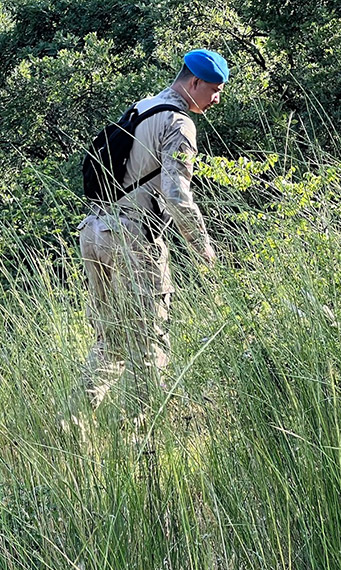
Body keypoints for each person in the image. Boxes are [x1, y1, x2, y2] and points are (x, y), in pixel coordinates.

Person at [77, 49, 227, 420]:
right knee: (150, 344)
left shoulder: (142, 107)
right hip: (133, 239)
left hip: (96, 230)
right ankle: (144, 442)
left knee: (110, 341)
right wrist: (203, 249)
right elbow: (177, 196)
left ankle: (71, 421)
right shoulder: (178, 124)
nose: (217, 99)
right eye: (214, 89)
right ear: (194, 83)